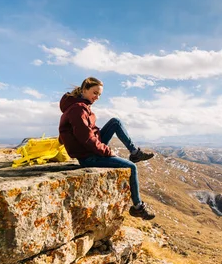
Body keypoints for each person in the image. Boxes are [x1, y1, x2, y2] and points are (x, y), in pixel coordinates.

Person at [58, 77, 156, 220]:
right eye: (95, 93)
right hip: (87, 156)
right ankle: (138, 207)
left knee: (115, 122)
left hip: (89, 148)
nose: (97, 97)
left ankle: (135, 152)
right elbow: (86, 139)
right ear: (84, 90)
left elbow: (81, 132)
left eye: (99, 94)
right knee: (132, 167)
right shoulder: (78, 109)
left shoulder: (80, 106)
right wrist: (107, 151)